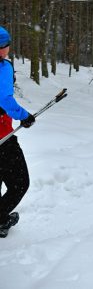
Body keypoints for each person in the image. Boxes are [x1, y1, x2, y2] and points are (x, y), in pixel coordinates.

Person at [0, 26, 35, 238]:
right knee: (20, 182)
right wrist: (24, 116)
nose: (4, 51)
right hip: (3, 139)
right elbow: (4, 99)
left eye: (5, 46)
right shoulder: (3, 67)